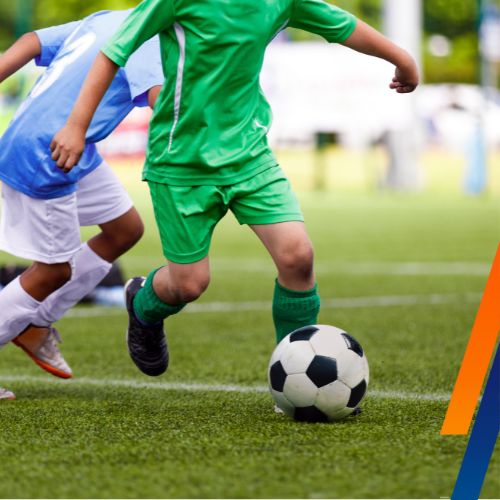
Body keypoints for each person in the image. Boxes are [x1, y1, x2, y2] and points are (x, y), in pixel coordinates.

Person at [52, 0, 419, 378]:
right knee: (189, 284)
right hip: (182, 163)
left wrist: (401, 58)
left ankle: (290, 375)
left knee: (297, 256)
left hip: (249, 155)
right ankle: (143, 304)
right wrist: (76, 126)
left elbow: (340, 25)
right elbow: (113, 51)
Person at [0, 9, 163, 399]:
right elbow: (167, 106)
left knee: (125, 230)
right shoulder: (156, 38)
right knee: (53, 271)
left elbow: (32, 41)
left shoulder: (111, 17)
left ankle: (35, 324)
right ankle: (28, 321)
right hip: (50, 150)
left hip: (68, 144)